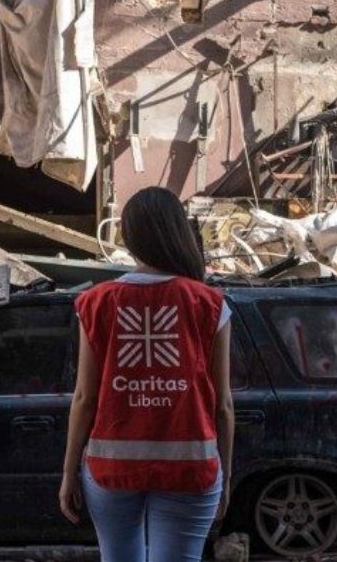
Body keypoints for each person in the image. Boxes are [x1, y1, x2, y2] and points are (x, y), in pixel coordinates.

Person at [59, 186, 234, 562]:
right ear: (179, 232)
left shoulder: (97, 302)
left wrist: (69, 471)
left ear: (129, 236)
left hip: (111, 468)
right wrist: (227, 476)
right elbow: (223, 406)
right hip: (192, 467)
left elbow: (85, 398)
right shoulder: (209, 303)